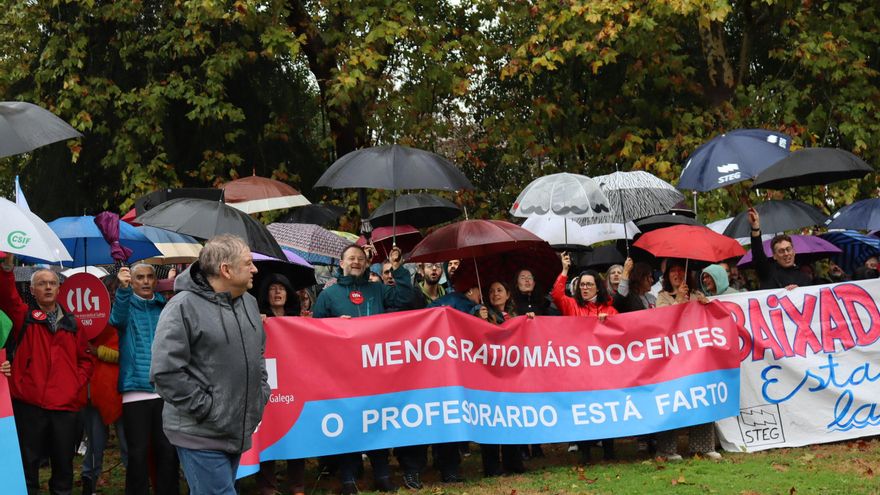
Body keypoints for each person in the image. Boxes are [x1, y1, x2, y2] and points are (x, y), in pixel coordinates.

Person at [151, 234, 271, 495]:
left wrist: (260, 395)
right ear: (226, 270)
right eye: (248, 263)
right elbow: (165, 371)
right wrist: (209, 409)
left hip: (235, 431)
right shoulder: (181, 307)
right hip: (199, 433)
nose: (255, 269)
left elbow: (257, 355)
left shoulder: (249, 304)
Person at [313, 244, 412, 494]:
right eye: (351, 258)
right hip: (342, 372)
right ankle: (347, 479)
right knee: (349, 423)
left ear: (367, 263)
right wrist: (333, 325)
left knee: (376, 421)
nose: (356, 262)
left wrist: (398, 270)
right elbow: (313, 332)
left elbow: (406, 299)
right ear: (341, 263)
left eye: (360, 258)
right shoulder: (329, 295)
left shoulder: (377, 289)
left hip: (374, 370)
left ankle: (382, 474)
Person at [0, 255, 94, 494]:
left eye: (52, 283)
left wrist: (75, 383)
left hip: (65, 407)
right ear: (32, 290)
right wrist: (7, 269)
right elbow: (8, 297)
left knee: (63, 470)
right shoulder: (25, 317)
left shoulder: (72, 323)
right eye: (42, 283)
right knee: (27, 469)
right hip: (29, 404)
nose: (48, 287)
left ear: (59, 288)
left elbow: (86, 358)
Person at [111, 264, 180, 495]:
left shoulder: (165, 307)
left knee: (167, 450)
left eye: (150, 277)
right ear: (132, 281)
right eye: (140, 277)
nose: (146, 281)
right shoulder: (125, 305)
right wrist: (121, 290)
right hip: (135, 391)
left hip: (163, 390)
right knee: (138, 453)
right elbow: (116, 320)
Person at [654, 260, 719, 461]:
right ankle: (666, 450)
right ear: (667, 276)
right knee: (670, 400)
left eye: (681, 270)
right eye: (673, 270)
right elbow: (661, 320)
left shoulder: (697, 295)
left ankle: (703, 447)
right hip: (671, 358)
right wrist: (679, 300)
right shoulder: (662, 297)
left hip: (695, 357)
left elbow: (708, 319)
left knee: (701, 396)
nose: (677, 274)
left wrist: (708, 306)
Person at [255, 274, 305, 495]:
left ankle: (297, 485)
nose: (277, 292)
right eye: (272, 289)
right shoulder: (256, 319)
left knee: (298, 433)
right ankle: (267, 486)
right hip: (269, 387)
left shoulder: (301, 320)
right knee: (267, 432)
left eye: (281, 288)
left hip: (295, 386)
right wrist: (255, 322)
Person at [747, 208, 812, 290]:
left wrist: (799, 292)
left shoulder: (804, 278)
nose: (786, 253)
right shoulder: (767, 272)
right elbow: (758, 254)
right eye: (781, 251)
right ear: (774, 255)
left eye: (788, 249)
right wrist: (755, 228)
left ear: (794, 251)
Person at [552, 253, 618, 319]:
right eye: (582, 284)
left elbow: (618, 327)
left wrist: (608, 322)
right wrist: (565, 270)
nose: (585, 288)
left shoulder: (610, 311)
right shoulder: (571, 305)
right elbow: (557, 296)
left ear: (597, 288)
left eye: (589, 284)